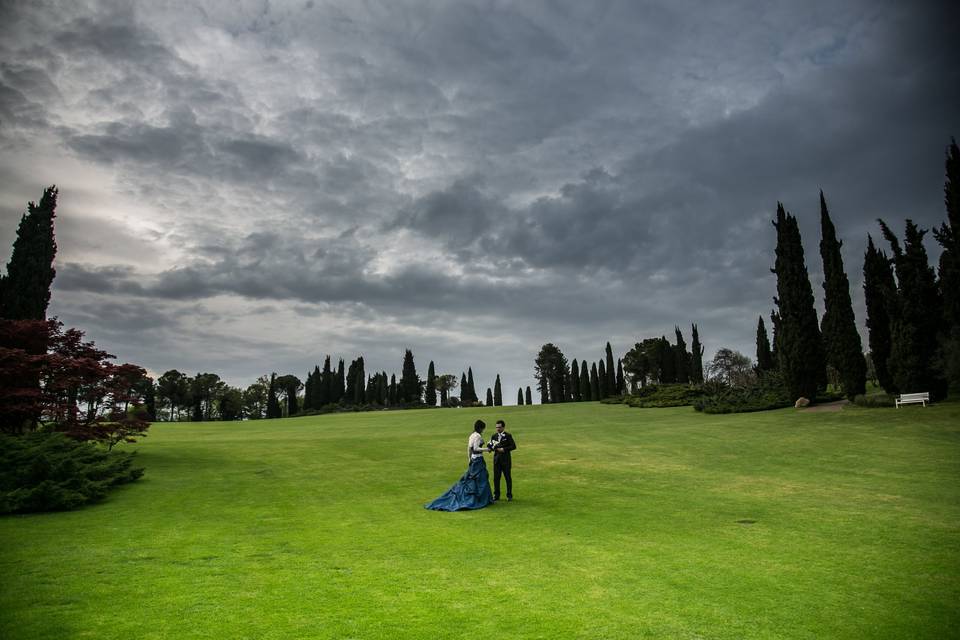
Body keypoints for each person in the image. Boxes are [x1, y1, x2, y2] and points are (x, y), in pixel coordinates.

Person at [425, 420, 494, 511]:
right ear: (481, 428)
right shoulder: (477, 436)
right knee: (481, 479)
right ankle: (482, 499)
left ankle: (483, 498)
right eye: (483, 428)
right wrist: (487, 449)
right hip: (478, 460)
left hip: (473, 460)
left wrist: (469, 459)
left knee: (473, 479)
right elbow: (476, 448)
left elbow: (469, 448)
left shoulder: (472, 435)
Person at [487, 419, 517, 501]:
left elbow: (513, 446)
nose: (498, 429)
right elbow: (490, 445)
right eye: (496, 427)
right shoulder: (494, 436)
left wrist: (504, 449)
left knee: (507, 478)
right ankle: (496, 495)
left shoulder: (508, 436)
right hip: (496, 460)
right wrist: (489, 448)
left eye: (499, 427)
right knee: (496, 478)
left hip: (506, 460)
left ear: (503, 427)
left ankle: (509, 495)